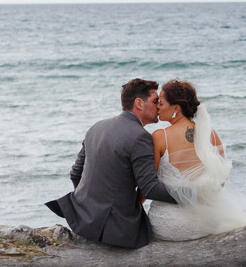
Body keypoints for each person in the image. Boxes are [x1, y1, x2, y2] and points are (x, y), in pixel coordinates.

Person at [45, 78, 178, 249]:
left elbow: (76, 173)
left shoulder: (97, 127)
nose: (158, 106)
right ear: (139, 103)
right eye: (155, 101)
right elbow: (149, 188)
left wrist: (90, 205)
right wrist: (191, 195)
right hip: (116, 230)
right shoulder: (140, 136)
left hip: (82, 220)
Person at [146, 79, 246, 241]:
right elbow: (220, 181)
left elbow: (150, 182)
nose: (157, 107)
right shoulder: (211, 134)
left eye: (161, 104)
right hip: (205, 222)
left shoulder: (160, 136)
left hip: (168, 223)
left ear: (176, 108)